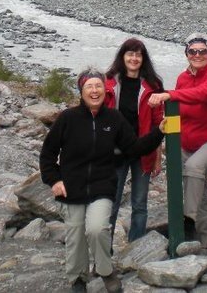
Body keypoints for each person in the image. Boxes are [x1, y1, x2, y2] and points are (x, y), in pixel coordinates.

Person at [40, 69, 165, 293]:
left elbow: (134, 147)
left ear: (104, 90)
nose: (95, 91)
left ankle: (105, 270)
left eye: (98, 86)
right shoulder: (68, 119)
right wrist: (54, 181)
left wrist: (159, 132)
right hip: (71, 188)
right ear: (81, 91)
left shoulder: (113, 119)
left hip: (101, 186)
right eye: (90, 87)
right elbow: (47, 154)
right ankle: (78, 279)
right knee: (76, 234)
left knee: (97, 229)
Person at [147, 32, 207, 247]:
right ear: (186, 53)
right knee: (200, 192)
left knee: (194, 167)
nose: (197, 55)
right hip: (188, 142)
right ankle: (205, 242)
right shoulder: (183, 78)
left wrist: (170, 94)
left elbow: (203, 94)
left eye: (202, 51)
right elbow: (181, 107)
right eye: (192, 51)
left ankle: (187, 221)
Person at [104, 38, 164, 248]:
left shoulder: (153, 85)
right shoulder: (109, 82)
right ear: (122, 57)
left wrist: (158, 158)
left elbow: (159, 125)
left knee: (140, 203)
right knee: (111, 203)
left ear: (143, 59)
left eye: (138, 54)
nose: (134, 58)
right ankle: (105, 249)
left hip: (143, 150)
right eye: (130, 54)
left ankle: (135, 248)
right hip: (115, 151)